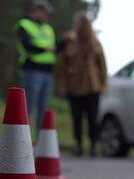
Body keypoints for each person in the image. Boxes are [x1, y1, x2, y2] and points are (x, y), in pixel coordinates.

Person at [56, 12, 107, 157]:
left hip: (93, 86)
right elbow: (62, 66)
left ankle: (92, 145)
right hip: (74, 86)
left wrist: (103, 84)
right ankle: (78, 144)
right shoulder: (69, 42)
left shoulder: (95, 43)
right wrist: (62, 83)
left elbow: (102, 64)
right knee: (76, 117)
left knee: (93, 117)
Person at [14, 1, 65, 138]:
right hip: (32, 70)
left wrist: (64, 42)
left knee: (44, 108)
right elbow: (27, 46)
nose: (47, 16)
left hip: (48, 72)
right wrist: (44, 49)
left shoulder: (48, 28)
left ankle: (41, 141)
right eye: (45, 13)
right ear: (36, 11)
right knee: (28, 107)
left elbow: (53, 49)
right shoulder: (24, 24)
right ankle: (23, 139)